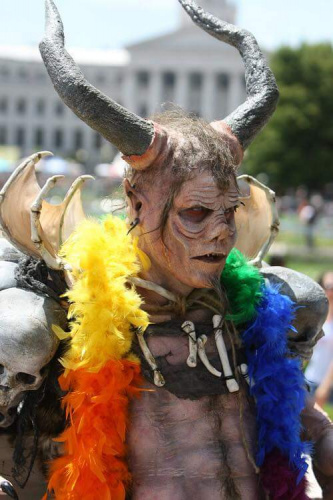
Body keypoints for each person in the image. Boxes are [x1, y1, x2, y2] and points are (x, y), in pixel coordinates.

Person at [0, 1, 332, 499]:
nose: (221, 234)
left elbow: (303, 420)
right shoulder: (73, 320)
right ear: (136, 200)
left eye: (230, 212)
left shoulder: (251, 312)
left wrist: (325, 444)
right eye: (195, 214)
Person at [306, 271, 333, 406]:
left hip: (328, 386)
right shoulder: (316, 316)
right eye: (329, 286)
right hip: (310, 379)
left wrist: (325, 385)